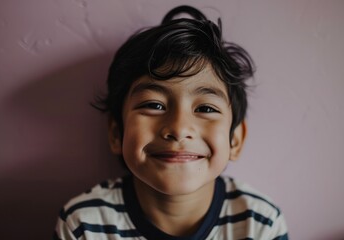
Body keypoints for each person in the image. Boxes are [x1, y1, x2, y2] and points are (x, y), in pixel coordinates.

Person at [54, 5, 288, 240]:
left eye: (205, 108)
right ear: (116, 134)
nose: (178, 129)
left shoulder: (260, 225)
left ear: (235, 140)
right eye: (154, 105)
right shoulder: (83, 224)